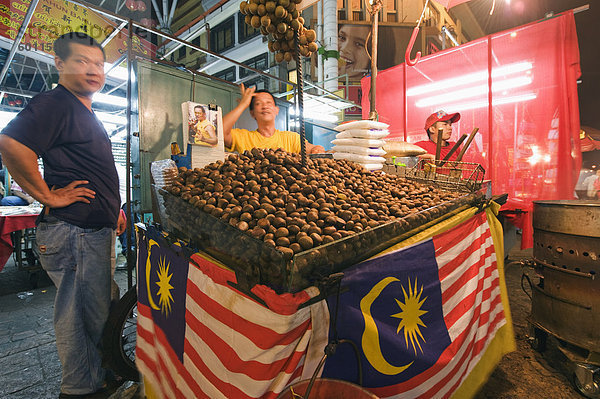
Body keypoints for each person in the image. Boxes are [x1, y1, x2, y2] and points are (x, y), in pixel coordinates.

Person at [0, 32, 126, 398]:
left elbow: (90, 168)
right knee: (78, 314)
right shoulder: (56, 103)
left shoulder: (82, 110)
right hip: (74, 232)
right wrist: (46, 195)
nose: (93, 70)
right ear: (60, 64)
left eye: (99, 64)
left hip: (91, 230)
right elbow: (11, 143)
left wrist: (112, 208)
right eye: (82, 62)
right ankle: (81, 389)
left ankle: (99, 374)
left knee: (97, 306)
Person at [223, 84, 325, 154]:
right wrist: (243, 105)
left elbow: (311, 149)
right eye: (258, 104)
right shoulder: (244, 137)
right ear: (252, 113)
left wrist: (317, 149)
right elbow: (221, 133)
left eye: (268, 103)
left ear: (276, 110)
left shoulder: (291, 138)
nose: (265, 106)